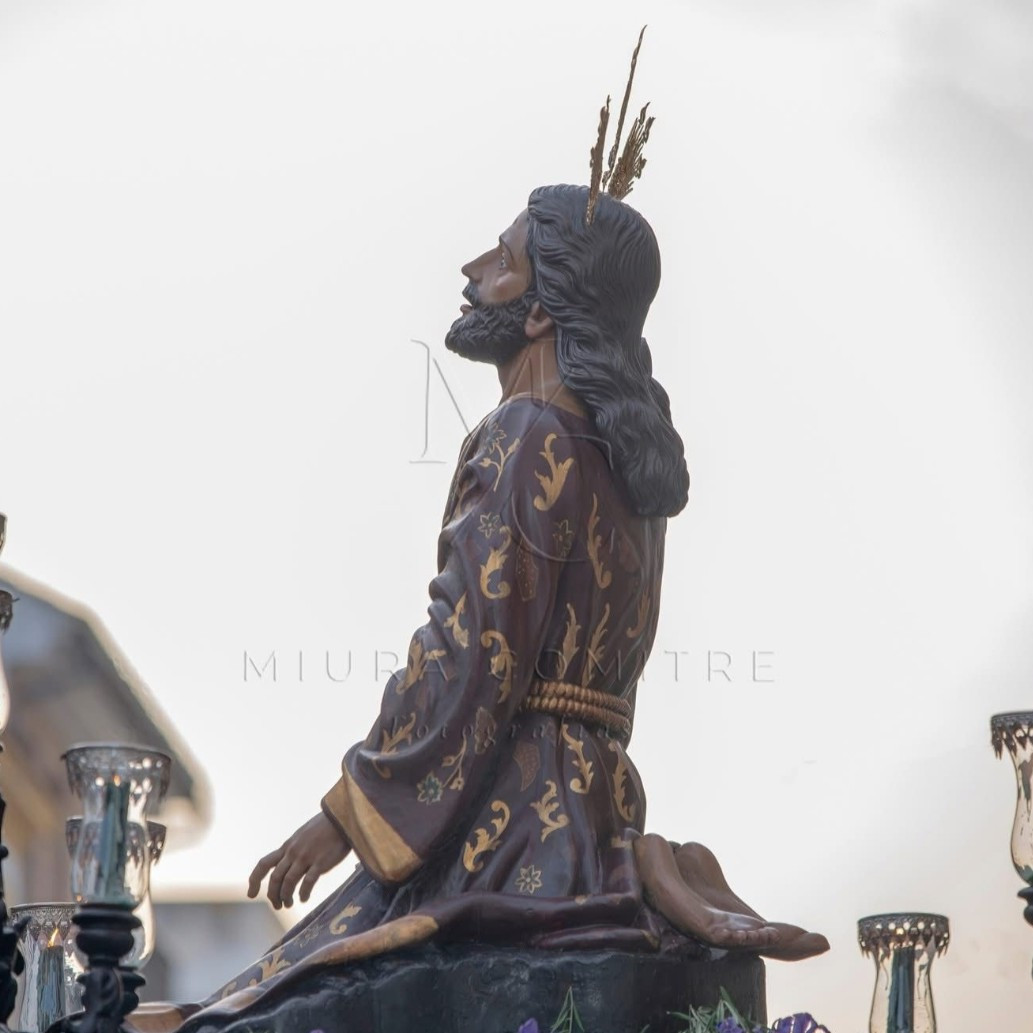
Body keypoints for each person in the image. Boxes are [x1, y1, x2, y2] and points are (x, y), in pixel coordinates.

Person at [132, 185, 825, 1033]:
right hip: (595, 822)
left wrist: (349, 811)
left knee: (247, 1014)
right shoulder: (625, 464)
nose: (471, 271)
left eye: (502, 259)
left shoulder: (524, 430)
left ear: (541, 312)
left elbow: (467, 651)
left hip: (506, 827)